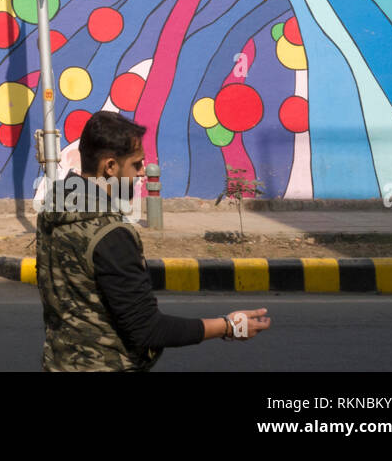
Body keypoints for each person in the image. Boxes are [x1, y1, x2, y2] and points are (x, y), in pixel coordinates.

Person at [35, 110, 272, 371]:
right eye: (136, 164)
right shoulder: (111, 235)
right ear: (110, 166)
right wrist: (228, 326)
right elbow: (147, 329)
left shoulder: (53, 211)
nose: (141, 174)